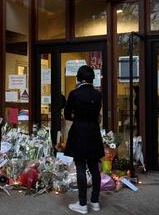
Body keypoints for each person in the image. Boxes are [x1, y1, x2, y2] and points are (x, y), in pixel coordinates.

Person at [64, 66, 104, 214]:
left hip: (79, 132)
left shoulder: (74, 94)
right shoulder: (98, 95)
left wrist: (76, 116)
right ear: (92, 78)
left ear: (79, 78)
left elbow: (67, 114)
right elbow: (97, 114)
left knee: (80, 166)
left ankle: (82, 204)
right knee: (94, 167)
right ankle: (95, 202)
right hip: (94, 132)